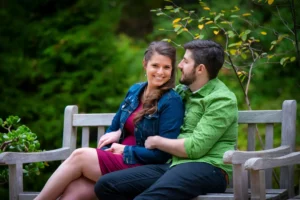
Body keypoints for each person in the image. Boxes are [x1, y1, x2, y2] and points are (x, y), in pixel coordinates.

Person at [34, 41, 184, 200]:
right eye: (155, 65)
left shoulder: (171, 102)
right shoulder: (135, 91)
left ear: (172, 69)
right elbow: (113, 128)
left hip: (142, 166)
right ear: (145, 64)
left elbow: (162, 153)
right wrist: (118, 133)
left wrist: (125, 150)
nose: (160, 72)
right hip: (117, 159)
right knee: (74, 191)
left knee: (80, 155)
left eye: (166, 67)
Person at [94, 39, 238, 200]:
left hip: (208, 168)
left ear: (200, 69)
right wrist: (120, 131)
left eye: (185, 61)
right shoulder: (183, 92)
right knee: (105, 186)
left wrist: (157, 142)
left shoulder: (221, 100)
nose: (180, 65)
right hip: (172, 165)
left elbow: (196, 148)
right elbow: (148, 116)